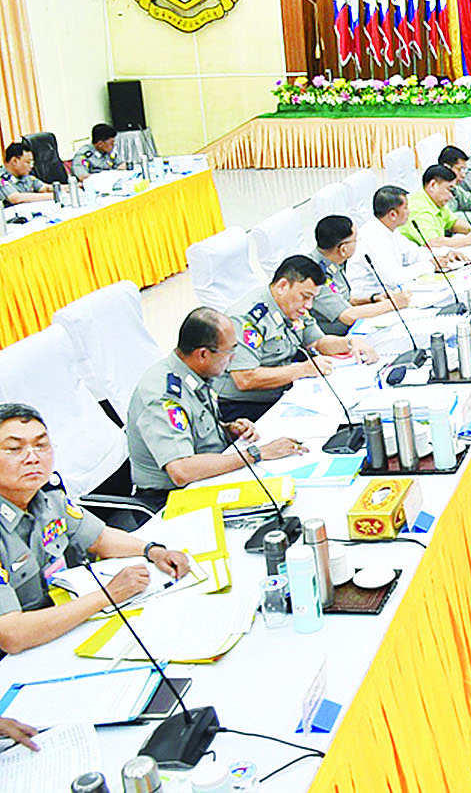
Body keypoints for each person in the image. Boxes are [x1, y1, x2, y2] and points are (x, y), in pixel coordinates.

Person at [0, 403, 191, 653]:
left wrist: (153, 550)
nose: (33, 458)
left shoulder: (48, 498)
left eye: (41, 445)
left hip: (61, 625)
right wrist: (108, 595)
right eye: (14, 449)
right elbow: (11, 635)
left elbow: (99, 537)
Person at [127, 308, 307, 497]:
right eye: (229, 351)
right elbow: (181, 470)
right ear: (203, 354)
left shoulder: (195, 372)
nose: (234, 358)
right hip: (173, 496)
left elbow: (196, 429)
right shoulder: (163, 396)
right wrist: (255, 453)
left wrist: (228, 430)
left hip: (208, 475)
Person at [213, 256, 378, 422]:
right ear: (282, 286)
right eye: (305, 297)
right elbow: (245, 378)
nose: (309, 305)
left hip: (282, 393)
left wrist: (349, 342)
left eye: (313, 298)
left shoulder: (293, 307)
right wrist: (303, 369)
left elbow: (317, 342)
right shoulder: (246, 318)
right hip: (246, 407)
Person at [347, 186, 467, 298]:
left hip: (393, 293)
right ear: (393, 214)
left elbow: (415, 253)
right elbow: (393, 278)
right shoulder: (372, 237)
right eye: (405, 208)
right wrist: (430, 265)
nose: (409, 211)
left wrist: (446, 254)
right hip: (373, 300)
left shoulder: (390, 230)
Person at [308, 215, 412, 336]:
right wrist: (394, 303)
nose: (358, 243)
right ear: (343, 249)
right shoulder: (314, 273)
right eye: (356, 240)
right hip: (334, 337)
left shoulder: (333, 263)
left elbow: (343, 300)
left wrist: (373, 299)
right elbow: (347, 316)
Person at [404, 165, 471, 249]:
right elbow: (432, 243)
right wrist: (467, 240)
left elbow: (453, 222)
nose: (451, 196)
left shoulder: (436, 203)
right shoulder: (418, 208)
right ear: (433, 185)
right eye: (449, 189)